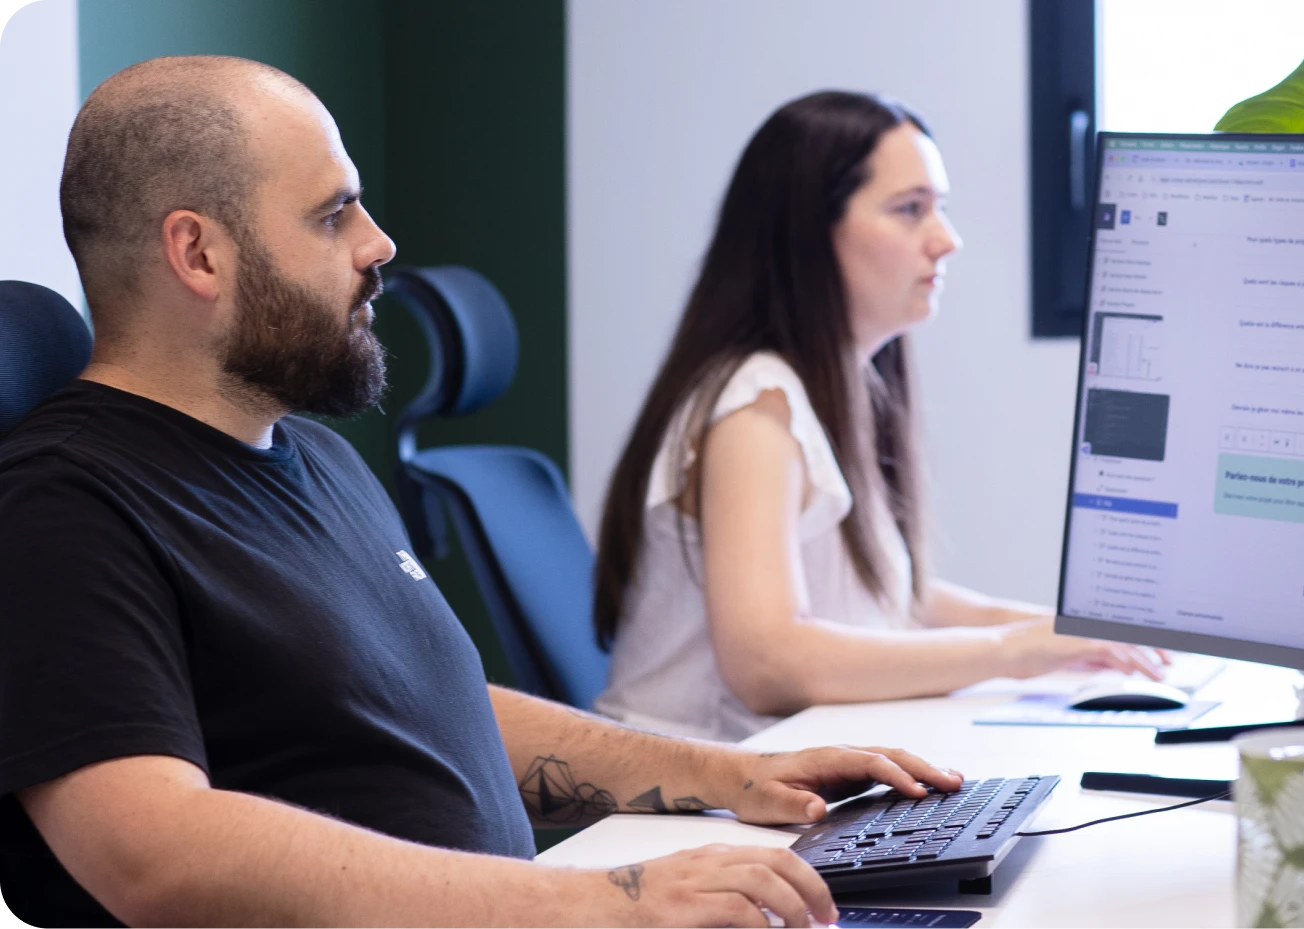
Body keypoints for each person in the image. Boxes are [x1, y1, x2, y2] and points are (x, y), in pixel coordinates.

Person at [0, 57, 962, 929]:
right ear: (198, 253)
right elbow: (154, 853)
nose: (379, 244)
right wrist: (607, 900)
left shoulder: (312, 457)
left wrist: (733, 776)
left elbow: (438, 703)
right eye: (332, 215)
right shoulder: (65, 506)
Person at [592, 92, 1166, 743]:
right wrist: (1014, 648)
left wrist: (1064, 633)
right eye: (910, 209)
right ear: (809, 231)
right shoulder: (756, 411)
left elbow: (888, 595)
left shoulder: (836, 383)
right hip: (683, 786)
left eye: (939, 207)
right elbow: (765, 662)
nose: (947, 240)